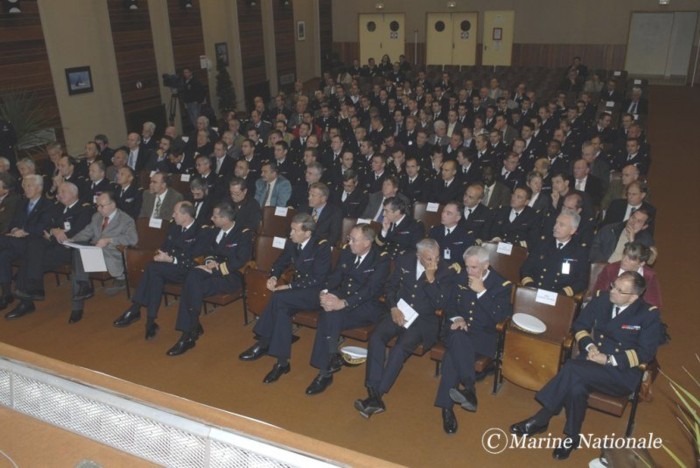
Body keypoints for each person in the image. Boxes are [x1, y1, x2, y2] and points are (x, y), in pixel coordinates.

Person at [510, 272, 660, 460]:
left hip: (619, 373)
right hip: (590, 361)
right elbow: (580, 325)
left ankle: (541, 419)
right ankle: (572, 437)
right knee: (576, 387)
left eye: (620, 290)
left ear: (634, 297)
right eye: (613, 285)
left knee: (572, 368)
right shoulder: (602, 299)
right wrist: (590, 346)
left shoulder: (648, 315)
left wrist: (608, 359)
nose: (612, 291)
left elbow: (646, 353)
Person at [354, 239, 457, 418]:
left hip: (423, 321)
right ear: (418, 255)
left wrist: (431, 279)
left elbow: (441, 304)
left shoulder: (445, 271)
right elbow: (390, 287)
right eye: (429, 258)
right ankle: (372, 388)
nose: (434, 262)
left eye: (437, 257)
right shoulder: (405, 260)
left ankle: (377, 394)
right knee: (376, 337)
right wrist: (393, 307)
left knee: (399, 348)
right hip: (399, 311)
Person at [239, 214, 332, 382]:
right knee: (282, 309)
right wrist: (274, 276)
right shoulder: (292, 242)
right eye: (291, 229)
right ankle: (282, 362)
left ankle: (264, 341)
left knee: (280, 297)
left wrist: (289, 286)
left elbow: (318, 279)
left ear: (308, 232)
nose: (290, 233)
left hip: (316, 293)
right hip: (296, 294)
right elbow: (280, 262)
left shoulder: (321, 246)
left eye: (295, 230)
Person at [434, 246, 513, 434]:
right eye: (467, 266)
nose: (469, 271)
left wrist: (482, 292)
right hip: (458, 329)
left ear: (486, 265)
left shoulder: (501, 285)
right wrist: (458, 318)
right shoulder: (460, 277)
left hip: (482, 337)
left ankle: (447, 408)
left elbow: (500, 317)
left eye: (474, 267)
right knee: (457, 337)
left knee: (452, 355)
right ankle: (469, 388)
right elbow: (450, 304)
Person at [306, 224, 391, 395]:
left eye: (353, 240)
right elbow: (336, 276)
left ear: (367, 242)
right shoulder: (347, 252)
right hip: (344, 297)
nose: (349, 242)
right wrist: (325, 293)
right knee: (329, 311)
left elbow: (370, 290)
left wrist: (343, 303)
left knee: (330, 314)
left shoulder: (381, 259)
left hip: (368, 306)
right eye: (349, 238)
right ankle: (329, 363)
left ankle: (326, 370)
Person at [167, 202, 253, 356]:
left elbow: (240, 261)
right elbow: (208, 251)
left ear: (225, 219)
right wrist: (208, 263)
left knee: (193, 287)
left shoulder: (243, 233)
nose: (211, 219)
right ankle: (191, 328)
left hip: (231, 275)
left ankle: (189, 333)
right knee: (192, 276)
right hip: (212, 268)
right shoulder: (214, 230)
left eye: (215, 217)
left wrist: (216, 269)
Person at [112, 201, 200, 339]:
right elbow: (165, 246)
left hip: (188, 271)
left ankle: (136, 310)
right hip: (168, 267)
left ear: (186, 215)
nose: (172, 215)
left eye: (176, 213)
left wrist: (171, 259)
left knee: (153, 268)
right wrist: (161, 255)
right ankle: (150, 322)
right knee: (155, 275)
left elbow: (195, 259)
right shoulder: (174, 227)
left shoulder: (200, 231)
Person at [7, 183, 94, 319]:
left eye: (63, 192)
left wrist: (54, 233)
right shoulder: (57, 207)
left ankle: (29, 297)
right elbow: (46, 226)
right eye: (59, 192)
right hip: (53, 245)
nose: (59, 195)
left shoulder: (84, 209)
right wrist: (54, 230)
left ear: (74, 193)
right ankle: (29, 296)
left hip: (71, 249)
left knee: (31, 259)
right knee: (32, 247)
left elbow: (76, 232)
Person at [68, 191, 139, 323]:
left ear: (113, 204)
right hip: (95, 253)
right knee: (78, 251)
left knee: (78, 264)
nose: (99, 209)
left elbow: (132, 239)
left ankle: (82, 295)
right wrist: (71, 240)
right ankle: (81, 294)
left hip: (111, 256)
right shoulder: (97, 217)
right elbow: (86, 232)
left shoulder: (126, 219)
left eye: (102, 206)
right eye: (97, 206)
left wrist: (109, 240)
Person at [0, 175, 54, 310]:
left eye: (29, 186)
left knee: (3, 241)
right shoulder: (22, 203)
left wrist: (23, 231)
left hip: (34, 243)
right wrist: (14, 229)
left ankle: (24, 301)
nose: (26, 188)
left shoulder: (47, 204)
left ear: (39, 188)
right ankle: (6, 294)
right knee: (3, 256)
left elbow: (43, 226)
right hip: (18, 242)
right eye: (24, 185)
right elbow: (13, 222)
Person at [520, 209, 589, 297]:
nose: (556, 227)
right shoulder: (542, 244)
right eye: (556, 222)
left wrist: (562, 294)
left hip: (559, 297)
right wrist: (530, 286)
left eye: (561, 225)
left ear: (572, 230)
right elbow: (526, 268)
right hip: (534, 291)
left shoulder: (579, 252)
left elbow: (582, 281)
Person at [593, 242, 662, 309]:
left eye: (631, 258)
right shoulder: (610, 270)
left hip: (636, 311)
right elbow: (598, 294)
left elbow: (654, 303)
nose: (624, 260)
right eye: (624, 255)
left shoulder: (649, 276)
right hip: (609, 307)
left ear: (641, 263)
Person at [590, 208, 655, 263]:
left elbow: (640, 261)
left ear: (644, 226)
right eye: (633, 218)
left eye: (639, 221)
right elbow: (595, 247)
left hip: (626, 272)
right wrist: (603, 264)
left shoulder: (646, 240)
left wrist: (632, 241)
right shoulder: (610, 229)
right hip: (604, 266)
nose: (633, 222)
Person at [429, 201, 475, 266]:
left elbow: (467, 259)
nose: (443, 215)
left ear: (458, 218)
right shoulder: (434, 231)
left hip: (455, 269)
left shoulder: (466, 235)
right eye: (443, 212)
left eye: (448, 213)